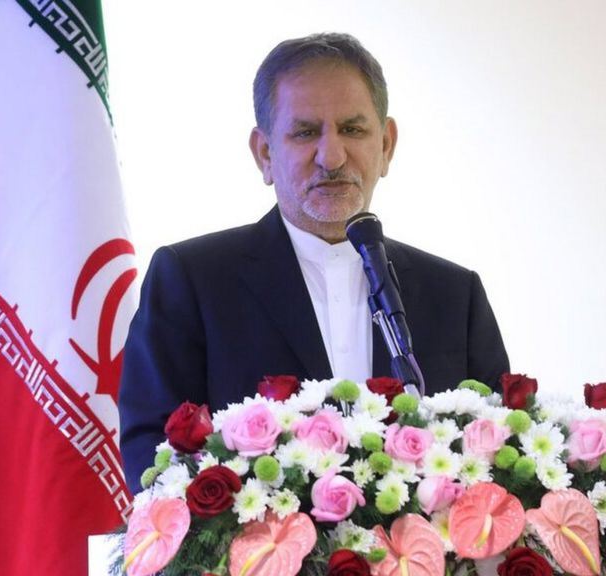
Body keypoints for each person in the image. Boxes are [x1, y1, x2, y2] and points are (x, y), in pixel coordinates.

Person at [118, 32, 509, 493]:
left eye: (353, 130)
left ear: (386, 145)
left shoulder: (454, 294)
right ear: (265, 153)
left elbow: (500, 450)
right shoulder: (193, 280)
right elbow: (153, 453)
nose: (332, 156)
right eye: (305, 132)